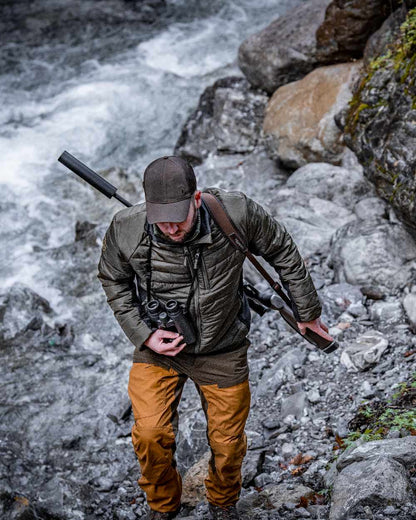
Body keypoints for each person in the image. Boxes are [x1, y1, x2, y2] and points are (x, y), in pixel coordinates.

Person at [97, 156, 331, 520]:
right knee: (149, 433)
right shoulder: (127, 228)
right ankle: (163, 507)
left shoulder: (235, 212)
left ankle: (223, 503)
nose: (172, 228)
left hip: (223, 346)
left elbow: (281, 248)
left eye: (179, 217)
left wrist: (307, 311)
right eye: (162, 220)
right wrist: (144, 334)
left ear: (196, 198)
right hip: (160, 349)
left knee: (228, 443)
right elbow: (113, 278)